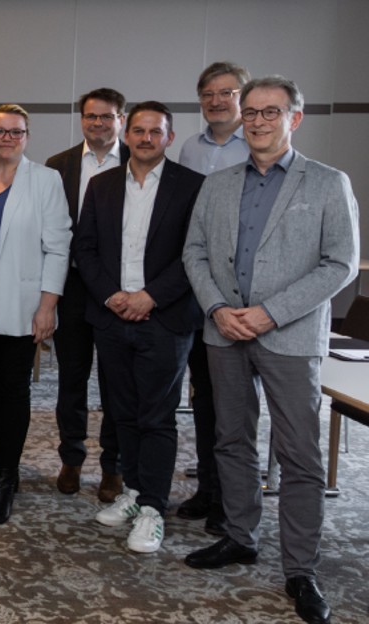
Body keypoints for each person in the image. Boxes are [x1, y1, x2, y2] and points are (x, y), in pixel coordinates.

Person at [182, 76, 359, 624]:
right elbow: (194, 252)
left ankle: (300, 569)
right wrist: (217, 308)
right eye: (252, 112)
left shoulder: (327, 182)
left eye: (271, 112)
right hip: (225, 331)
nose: (258, 121)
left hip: (289, 336)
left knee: (300, 455)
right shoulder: (218, 184)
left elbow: (340, 264)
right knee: (231, 440)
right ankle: (240, 535)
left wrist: (270, 313)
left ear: (294, 118)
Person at [73, 101, 204, 554]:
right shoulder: (102, 184)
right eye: (139, 130)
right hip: (111, 317)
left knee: (156, 416)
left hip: (164, 319)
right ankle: (132, 490)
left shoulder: (192, 186)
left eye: (156, 131)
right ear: (126, 135)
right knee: (122, 411)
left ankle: (153, 507)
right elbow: (85, 248)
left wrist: (150, 296)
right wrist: (111, 295)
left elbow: (194, 253)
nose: (146, 138)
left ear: (169, 137)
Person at [0, 104, 71, 526]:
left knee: (13, 389)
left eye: (16, 132)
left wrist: (47, 306)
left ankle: (7, 476)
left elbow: (58, 247)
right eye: (0, 131)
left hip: (22, 305)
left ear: (27, 136)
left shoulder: (45, 180)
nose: (7, 138)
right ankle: (1, 463)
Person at [175, 61, 252, 537]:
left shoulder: (258, 141)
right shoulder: (190, 148)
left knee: (236, 408)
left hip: (245, 296)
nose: (217, 101)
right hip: (200, 292)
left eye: (227, 92)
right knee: (204, 398)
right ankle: (208, 487)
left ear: (243, 97)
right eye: (208, 93)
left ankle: (232, 498)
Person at [45, 88, 129, 502]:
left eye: (107, 116)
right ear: (82, 120)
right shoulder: (58, 166)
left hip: (119, 291)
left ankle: (113, 466)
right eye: (91, 116)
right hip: (74, 287)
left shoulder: (137, 160)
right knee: (72, 379)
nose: (98, 123)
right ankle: (72, 458)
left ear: (121, 120)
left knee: (117, 383)